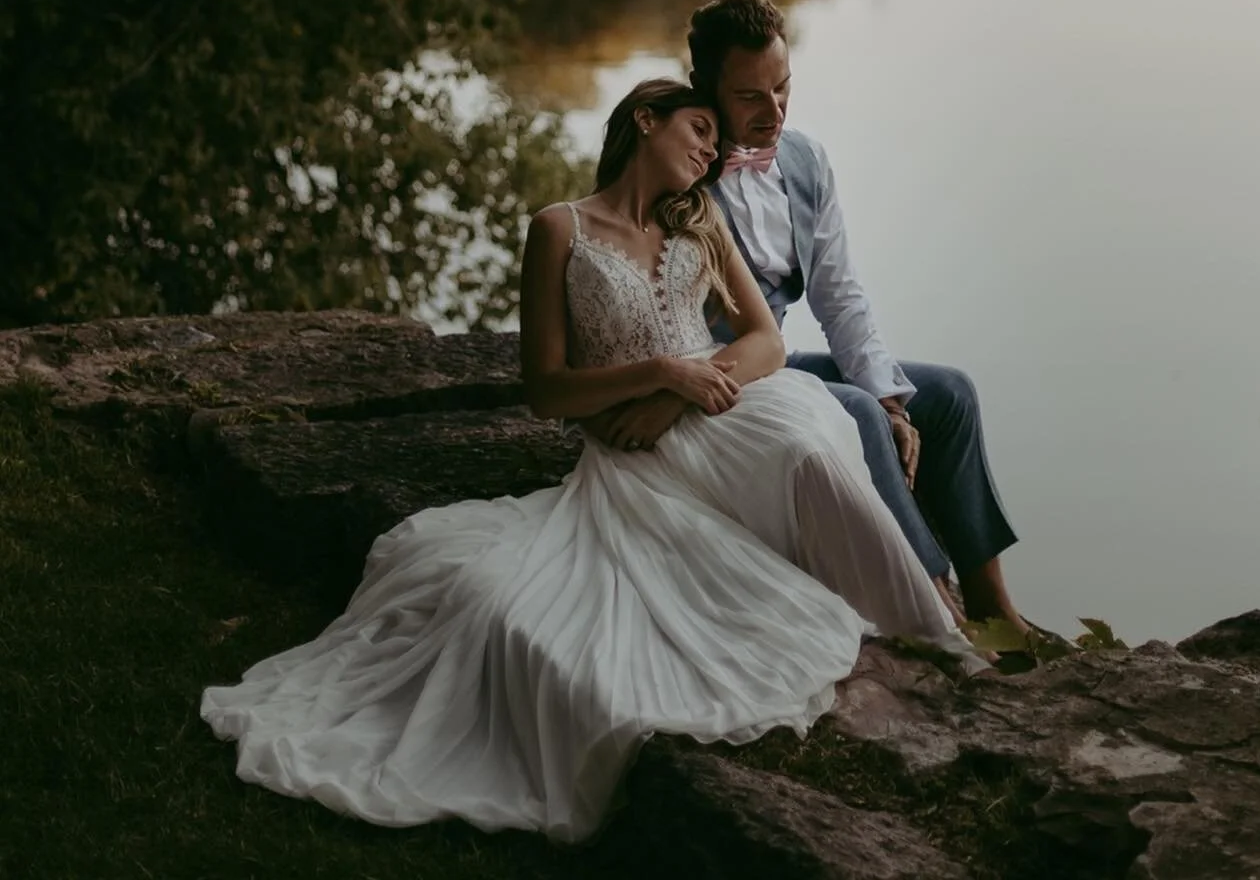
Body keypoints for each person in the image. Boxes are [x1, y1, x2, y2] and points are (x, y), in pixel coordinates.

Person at [201, 79, 987, 845]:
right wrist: (658, 375)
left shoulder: (700, 218)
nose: (712, 152)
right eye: (700, 131)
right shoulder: (557, 230)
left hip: (720, 406)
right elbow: (545, 390)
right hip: (634, 452)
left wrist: (683, 390)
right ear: (647, 120)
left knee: (810, 450)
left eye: (717, 141)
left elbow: (767, 341)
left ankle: (935, 636)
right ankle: (915, 623)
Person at [588, 0, 1025, 634]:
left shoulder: (805, 160)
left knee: (949, 394)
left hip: (773, 362)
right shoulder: (676, 174)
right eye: (749, 97)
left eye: (783, 87)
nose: (775, 113)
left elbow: (839, 294)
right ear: (704, 88)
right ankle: (934, 603)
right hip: (716, 382)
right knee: (858, 418)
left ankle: (995, 607)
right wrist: (671, 395)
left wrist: (893, 398)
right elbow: (640, 309)